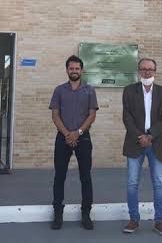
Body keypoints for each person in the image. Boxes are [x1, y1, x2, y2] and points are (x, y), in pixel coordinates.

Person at [121, 58, 162, 236]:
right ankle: (134, 219)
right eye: (143, 69)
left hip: (156, 143)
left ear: (155, 71)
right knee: (132, 183)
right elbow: (127, 117)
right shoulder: (129, 91)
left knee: (158, 183)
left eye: (150, 69)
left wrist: (150, 136)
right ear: (139, 71)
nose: (147, 72)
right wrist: (140, 136)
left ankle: (159, 221)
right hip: (134, 142)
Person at [49, 55, 98, 230]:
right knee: (59, 176)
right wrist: (67, 134)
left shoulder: (89, 90)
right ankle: (57, 214)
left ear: (81, 70)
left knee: (85, 177)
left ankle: (86, 214)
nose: (74, 71)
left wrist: (78, 133)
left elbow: (92, 115)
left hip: (83, 138)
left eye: (77, 68)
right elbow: (55, 115)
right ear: (67, 70)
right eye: (71, 68)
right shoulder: (59, 90)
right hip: (62, 138)